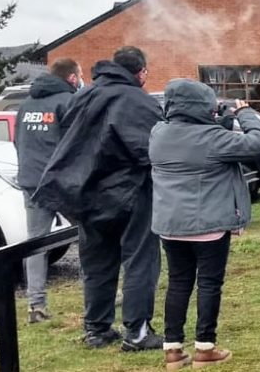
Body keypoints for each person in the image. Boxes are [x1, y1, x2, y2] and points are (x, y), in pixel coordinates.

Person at [33, 46, 165, 351]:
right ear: (140, 72)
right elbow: (150, 149)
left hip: (85, 194)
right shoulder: (137, 101)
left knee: (97, 263)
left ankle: (97, 329)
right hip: (131, 194)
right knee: (140, 260)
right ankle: (138, 332)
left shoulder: (81, 96)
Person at [150, 83, 260, 370]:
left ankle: (173, 350)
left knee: (178, 283)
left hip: (170, 225)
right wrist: (244, 115)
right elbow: (258, 144)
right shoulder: (214, 139)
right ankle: (205, 347)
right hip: (209, 226)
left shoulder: (158, 133)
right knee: (209, 284)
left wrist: (219, 119)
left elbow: (196, 137)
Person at [14, 58, 83, 324]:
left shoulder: (26, 104)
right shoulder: (68, 102)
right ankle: (100, 295)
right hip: (62, 182)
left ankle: (36, 306)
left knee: (36, 244)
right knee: (90, 236)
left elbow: (20, 142)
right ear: (72, 78)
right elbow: (76, 145)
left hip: (32, 182)